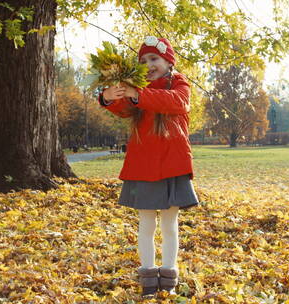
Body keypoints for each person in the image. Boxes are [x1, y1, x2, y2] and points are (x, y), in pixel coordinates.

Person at [98, 36, 199, 299]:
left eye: (154, 58)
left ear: (168, 61)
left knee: (169, 224)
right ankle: (147, 277)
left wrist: (137, 94)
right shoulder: (136, 88)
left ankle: (168, 276)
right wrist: (109, 97)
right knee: (145, 223)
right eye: (143, 60)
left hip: (172, 163)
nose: (149, 64)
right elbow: (122, 108)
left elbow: (177, 102)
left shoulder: (178, 82)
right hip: (143, 165)